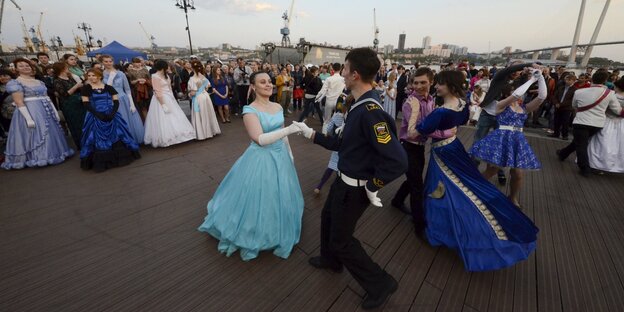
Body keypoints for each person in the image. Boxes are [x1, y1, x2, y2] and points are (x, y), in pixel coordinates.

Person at [294, 48, 407, 310]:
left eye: (344, 69)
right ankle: (330, 260)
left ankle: (380, 283)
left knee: (342, 241)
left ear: (355, 74)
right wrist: (311, 134)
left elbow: (398, 161)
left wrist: (372, 186)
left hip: (355, 189)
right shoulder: (357, 105)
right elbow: (346, 144)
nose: (341, 73)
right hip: (343, 181)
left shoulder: (370, 112)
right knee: (327, 218)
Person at [412, 70, 538, 271]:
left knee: (449, 189)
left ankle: (447, 228)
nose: (436, 87)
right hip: (454, 145)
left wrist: (416, 121)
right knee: (467, 184)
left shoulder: (441, 111)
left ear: (451, 86)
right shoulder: (463, 105)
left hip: (442, 151)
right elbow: (459, 122)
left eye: (440, 84)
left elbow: (419, 131)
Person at [198, 71, 304, 261]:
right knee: (259, 197)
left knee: (279, 195)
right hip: (261, 158)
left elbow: (281, 132)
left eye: (270, 82)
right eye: (262, 82)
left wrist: (290, 154)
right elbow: (260, 139)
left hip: (281, 157)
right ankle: (256, 231)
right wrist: (290, 129)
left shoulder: (278, 106)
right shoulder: (249, 110)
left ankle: (277, 225)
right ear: (253, 87)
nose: (268, 85)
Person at [391, 67, 456, 235]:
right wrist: (447, 133)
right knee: (417, 186)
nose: (418, 86)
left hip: (420, 148)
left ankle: (397, 201)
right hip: (408, 146)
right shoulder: (409, 103)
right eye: (415, 83)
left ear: (431, 82)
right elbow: (422, 129)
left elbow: (432, 122)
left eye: (423, 82)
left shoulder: (430, 100)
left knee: (414, 178)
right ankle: (419, 226)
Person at [470, 69, 547, 207]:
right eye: (514, 92)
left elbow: (542, 97)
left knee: (518, 174)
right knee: (492, 170)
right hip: (501, 139)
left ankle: (512, 197)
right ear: (507, 93)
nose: (520, 95)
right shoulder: (500, 105)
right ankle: (473, 190)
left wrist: (540, 77)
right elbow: (517, 93)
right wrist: (531, 80)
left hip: (517, 140)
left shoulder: (524, 107)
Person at [2, 58, 74, 169]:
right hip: (30, 110)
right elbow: (18, 101)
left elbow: (47, 97)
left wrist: (54, 111)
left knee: (50, 131)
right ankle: (39, 157)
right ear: (16, 69)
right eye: (21, 66)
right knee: (36, 132)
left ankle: (54, 154)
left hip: (45, 109)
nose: (25, 67)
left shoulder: (39, 81)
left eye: (27, 65)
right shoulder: (15, 83)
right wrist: (28, 118)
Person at [475, 62, 535, 185]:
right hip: (488, 112)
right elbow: (509, 70)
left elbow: (523, 87)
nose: (516, 72)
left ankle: (499, 171)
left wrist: (527, 73)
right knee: (479, 141)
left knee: (500, 145)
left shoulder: (518, 81)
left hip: (502, 116)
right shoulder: (499, 76)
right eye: (515, 68)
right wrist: (528, 64)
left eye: (519, 70)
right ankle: (472, 168)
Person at [557, 71, 624, 176]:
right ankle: (562, 153)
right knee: (580, 142)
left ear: (592, 79)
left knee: (581, 144)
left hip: (581, 121)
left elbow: (575, 106)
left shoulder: (579, 92)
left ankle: (585, 169)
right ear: (605, 81)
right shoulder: (609, 93)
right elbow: (618, 111)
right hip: (598, 124)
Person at [79, 68, 140, 172]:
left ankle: (119, 158)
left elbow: (116, 102)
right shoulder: (86, 88)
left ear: (99, 76)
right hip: (95, 115)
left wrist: (112, 113)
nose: (91, 78)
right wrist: (97, 114)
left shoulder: (108, 87)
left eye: (93, 75)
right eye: (89, 76)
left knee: (119, 133)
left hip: (111, 114)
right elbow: (86, 103)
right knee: (94, 136)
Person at [143, 60, 195, 147]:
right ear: (163, 67)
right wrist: (163, 104)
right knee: (163, 118)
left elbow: (169, 87)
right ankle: (166, 137)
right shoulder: (155, 76)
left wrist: (172, 98)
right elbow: (157, 91)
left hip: (169, 97)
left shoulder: (166, 75)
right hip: (160, 99)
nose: (168, 68)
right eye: (166, 66)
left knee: (175, 116)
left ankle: (178, 134)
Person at [101, 55, 145, 145]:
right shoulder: (101, 75)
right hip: (110, 101)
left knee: (126, 120)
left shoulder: (121, 74)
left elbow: (127, 89)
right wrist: (110, 79)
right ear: (102, 62)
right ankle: (120, 142)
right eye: (106, 61)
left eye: (110, 61)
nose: (108, 63)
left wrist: (132, 104)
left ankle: (130, 140)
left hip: (123, 99)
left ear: (113, 62)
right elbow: (104, 89)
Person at [588, 76, 624, 173]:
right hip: (621, 123)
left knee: (602, 143)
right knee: (618, 146)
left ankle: (597, 165)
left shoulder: (613, 96)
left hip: (607, 121)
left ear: (618, 86)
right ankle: (615, 165)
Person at [313, 99, 348, 195]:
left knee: (331, 166)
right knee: (342, 171)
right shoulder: (354, 118)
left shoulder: (337, 115)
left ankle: (319, 186)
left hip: (336, 144)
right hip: (348, 148)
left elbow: (329, 128)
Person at [52, 62, 86, 149]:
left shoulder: (70, 77)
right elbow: (64, 94)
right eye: (66, 67)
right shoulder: (57, 81)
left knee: (84, 122)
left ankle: (88, 141)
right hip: (69, 105)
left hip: (79, 102)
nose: (68, 69)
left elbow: (79, 89)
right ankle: (81, 144)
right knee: (75, 124)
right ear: (61, 69)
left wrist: (81, 85)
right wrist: (76, 86)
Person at [186, 61, 221, 140]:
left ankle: (202, 134)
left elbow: (193, 93)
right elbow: (207, 86)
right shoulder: (202, 76)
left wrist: (189, 94)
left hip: (198, 98)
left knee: (200, 115)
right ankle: (210, 131)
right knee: (207, 114)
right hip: (205, 97)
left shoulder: (192, 79)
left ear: (192, 68)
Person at [316, 63, 346, 133]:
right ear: (340, 69)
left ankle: (324, 135)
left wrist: (317, 97)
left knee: (327, 120)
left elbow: (323, 90)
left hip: (329, 101)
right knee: (339, 119)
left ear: (332, 69)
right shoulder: (343, 79)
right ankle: (335, 134)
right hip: (339, 102)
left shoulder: (329, 79)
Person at [550, 73, 577, 140]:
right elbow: (554, 96)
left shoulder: (575, 90)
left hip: (567, 108)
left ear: (573, 81)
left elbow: (572, 100)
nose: (566, 81)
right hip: (557, 106)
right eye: (566, 79)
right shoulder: (561, 87)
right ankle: (556, 133)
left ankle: (565, 135)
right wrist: (556, 103)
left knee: (565, 122)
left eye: (568, 80)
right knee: (556, 121)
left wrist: (561, 104)